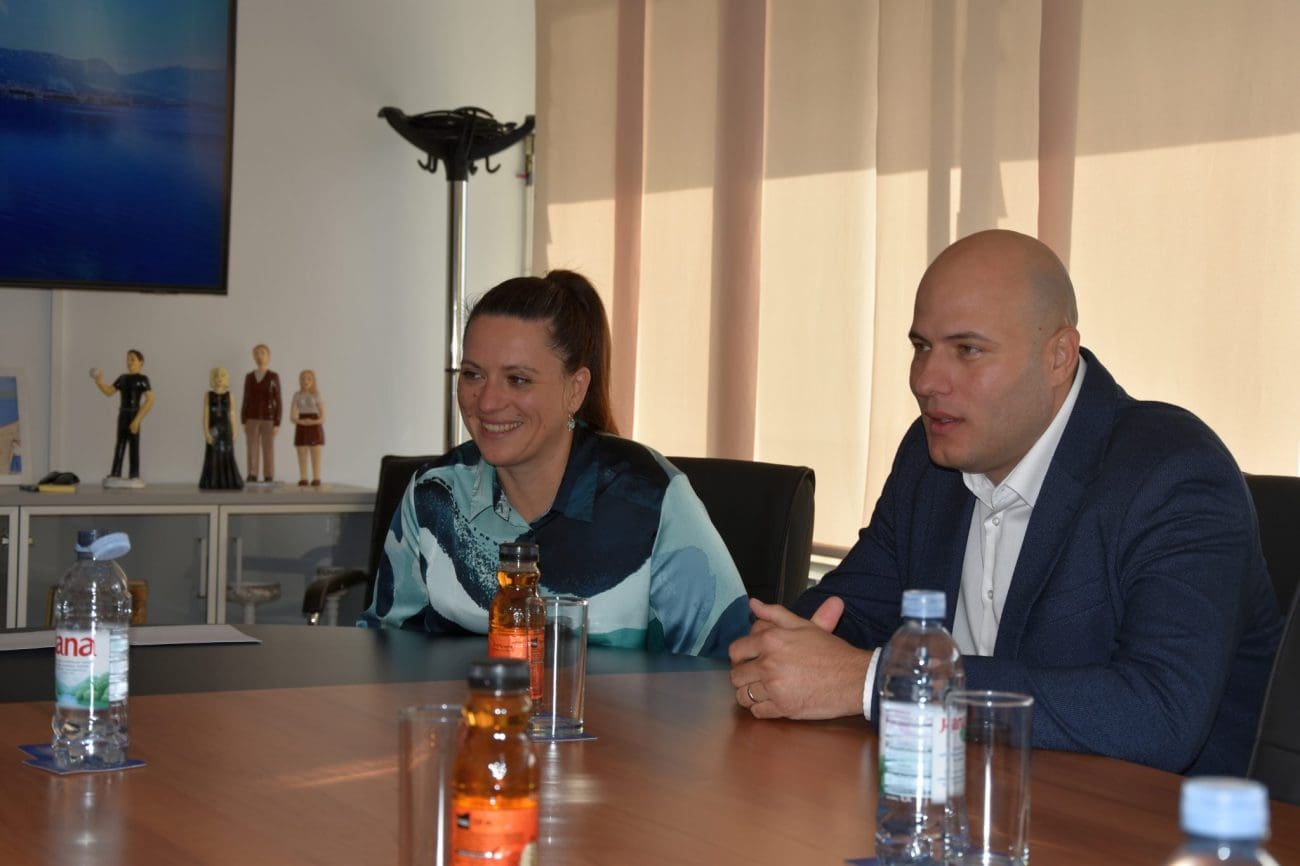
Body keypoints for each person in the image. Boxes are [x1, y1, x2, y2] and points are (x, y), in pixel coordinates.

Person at [728, 229, 1282, 775]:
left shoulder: (1173, 474)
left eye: (967, 350)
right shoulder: (929, 460)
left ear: (1059, 356)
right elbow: (848, 614)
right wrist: (782, 652)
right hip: (965, 798)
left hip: (1143, 821)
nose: (926, 381)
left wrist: (880, 681)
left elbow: (1157, 714)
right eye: (922, 347)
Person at [360, 270, 749, 658]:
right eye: (473, 374)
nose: (487, 402)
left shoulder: (652, 499)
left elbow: (725, 663)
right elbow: (384, 649)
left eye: (518, 379)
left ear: (574, 390)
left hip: (617, 703)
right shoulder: (434, 494)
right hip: (467, 699)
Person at [91, 349, 154, 488]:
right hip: (123, 414)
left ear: (141, 362)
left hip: (134, 414)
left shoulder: (142, 379)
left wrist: (137, 419)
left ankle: (134, 474)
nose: (129, 362)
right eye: (128, 359)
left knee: (134, 445)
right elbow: (109, 391)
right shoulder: (123, 378)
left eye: (132, 359)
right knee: (120, 443)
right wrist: (99, 382)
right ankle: (115, 472)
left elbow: (150, 399)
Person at [241, 343, 281, 484]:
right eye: (256, 353)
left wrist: (277, 421)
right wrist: (243, 419)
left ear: (268, 356)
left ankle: (268, 475)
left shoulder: (273, 376)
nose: (259, 356)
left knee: (268, 447)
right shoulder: (249, 377)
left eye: (262, 352)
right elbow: (246, 398)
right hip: (251, 417)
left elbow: (278, 400)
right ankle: (252, 474)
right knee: (252, 446)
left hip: (268, 418)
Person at [199, 367, 244, 490]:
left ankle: (228, 482)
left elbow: (233, 414)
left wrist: (235, 431)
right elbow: (206, 416)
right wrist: (206, 433)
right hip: (213, 430)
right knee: (213, 455)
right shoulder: (208, 395)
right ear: (212, 379)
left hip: (226, 430)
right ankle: (212, 482)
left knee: (227, 455)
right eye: (216, 376)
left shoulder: (230, 395)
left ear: (226, 379)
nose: (219, 378)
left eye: (222, 376)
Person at [291, 369, 325, 487]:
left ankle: (316, 477)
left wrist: (313, 422)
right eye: (303, 379)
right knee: (302, 452)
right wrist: (301, 421)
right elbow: (292, 416)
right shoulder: (297, 395)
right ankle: (303, 477)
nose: (305, 381)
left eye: (308, 379)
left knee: (315, 453)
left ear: (313, 381)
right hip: (302, 425)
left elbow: (323, 416)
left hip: (314, 426)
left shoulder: (316, 394)